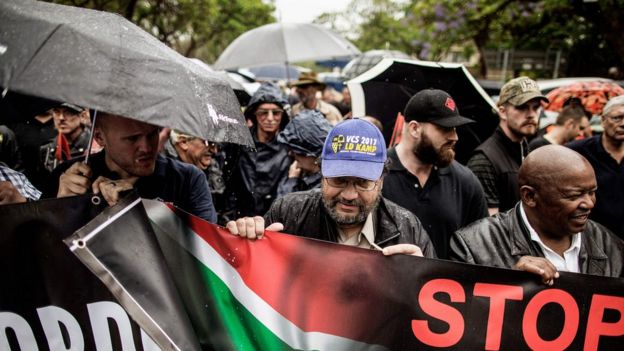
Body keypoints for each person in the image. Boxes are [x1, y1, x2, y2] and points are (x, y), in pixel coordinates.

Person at [226, 118, 436, 258]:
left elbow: (428, 316)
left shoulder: (408, 229)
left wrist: (417, 279)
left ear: (381, 180)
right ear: (321, 174)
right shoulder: (289, 215)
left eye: (363, 183)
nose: (349, 195)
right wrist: (243, 245)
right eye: (338, 180)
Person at [450, 145, 624, 283]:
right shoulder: (474, 245)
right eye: (574, 196)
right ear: (529, 196)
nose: (589, 203)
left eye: (592, 192)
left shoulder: (611, 246)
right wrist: (508, 283)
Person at [45, 112, 217, 222]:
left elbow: (206, 253)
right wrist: (61, 209)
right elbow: (43, 254)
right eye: (132, 139)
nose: (147, 148)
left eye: (152, 134)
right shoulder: (69, 178)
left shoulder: (187, 179)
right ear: (99, 137)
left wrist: (139, 210)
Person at [382, 89, 488, 259]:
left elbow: (482, 249)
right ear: (415, 129)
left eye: (454, 128)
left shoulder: (465, 182)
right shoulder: (375, 175)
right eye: (445, 128)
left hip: (444, 285)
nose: (455, 137)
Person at [467, 76, 548, 215]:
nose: (531, 114)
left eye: (536, 107)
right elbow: (487, 227)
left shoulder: (526, 149)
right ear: (502, 112)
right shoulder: (484, 161)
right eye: (522, 107)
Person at [227, 82, 292, 217]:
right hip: (239, 216)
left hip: (272, 218)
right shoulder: (239, 142)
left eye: (276, 113)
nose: (270, 118)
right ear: (254, 114)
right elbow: (228, 181)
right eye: (263, 113)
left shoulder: (289, 147)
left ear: (282, 115)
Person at [567, 95, 624, 238]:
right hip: (591, 238)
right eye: (617, 118)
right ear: (603, 120)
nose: (623, 123)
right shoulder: (578, 151)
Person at [276, 109, 332, 196]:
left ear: (315, 155)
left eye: (298, 152)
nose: (290, 153)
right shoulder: (300, 171)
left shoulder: (325, 187)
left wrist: (291, 182)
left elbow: (285, 208)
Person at [41, 103, 91, 172]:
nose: (61, 118)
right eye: (56, 112)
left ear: (83, 116)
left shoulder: (95, 145)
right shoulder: (47, 148)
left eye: (68, 112)